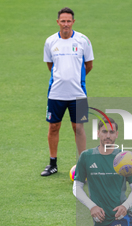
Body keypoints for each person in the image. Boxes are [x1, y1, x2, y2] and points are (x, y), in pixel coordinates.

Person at [41, 7, 94, 176]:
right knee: (54, 127)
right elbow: (50, 65)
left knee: (78, 128)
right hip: (56, 93)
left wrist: (76, 79)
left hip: (78, 94)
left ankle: (83, 164)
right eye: (62, 21)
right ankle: (52, 164)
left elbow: (89, 65)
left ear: (73, 22)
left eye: (68, 21)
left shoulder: (83, 40)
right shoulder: (50, 42)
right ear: (58, 22)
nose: (65, 24)